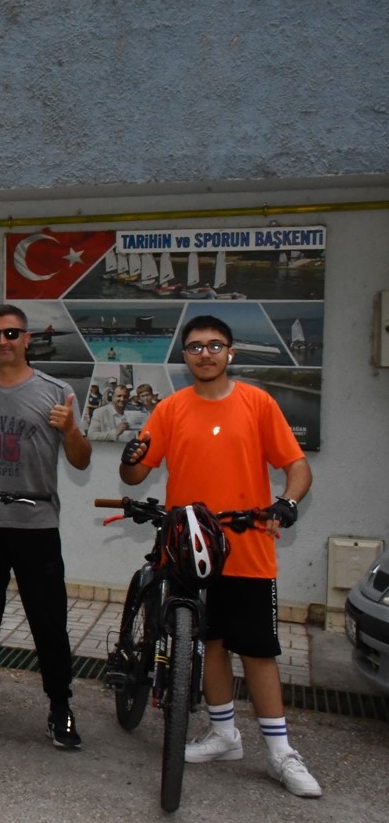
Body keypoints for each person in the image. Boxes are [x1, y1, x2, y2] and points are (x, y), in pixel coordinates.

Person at [120, 314, 319, 797]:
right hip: (187, 544)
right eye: (194, 347)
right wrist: (130, 459)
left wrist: (287, 504)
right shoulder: (170, 409)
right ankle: (224, 733)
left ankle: (280, 753)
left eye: (214, 346)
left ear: (231, 352)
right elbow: (135, 476)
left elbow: (297, 466)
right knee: (207, 641)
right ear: (184, 356)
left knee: (257, 650)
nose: (204, 354)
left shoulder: (258, 403)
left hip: (247, 545)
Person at [0, 304, 91, 748]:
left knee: (48, 621)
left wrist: (69, 431)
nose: (2, 342)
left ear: (27, 339)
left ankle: (60, 707)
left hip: (37, 524)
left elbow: (82, 460)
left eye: (11, 333)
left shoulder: (56, 391)